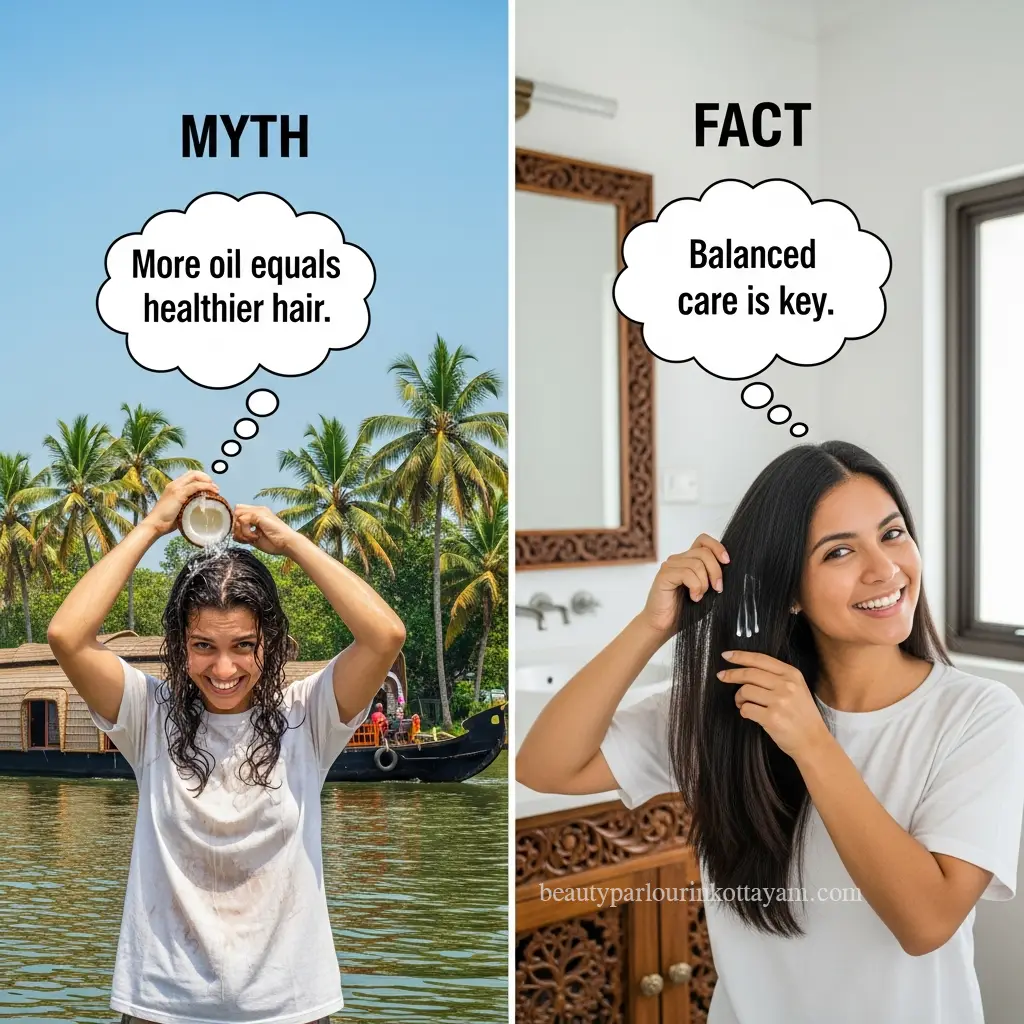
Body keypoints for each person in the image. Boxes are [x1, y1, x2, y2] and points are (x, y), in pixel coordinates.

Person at [516, 441, 1024, 1024]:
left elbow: (927, 923)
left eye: (892, 534)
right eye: (838, 552)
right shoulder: (734, 708)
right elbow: (544, 767)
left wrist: (812, 743)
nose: (884, 569)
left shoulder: (979, 715)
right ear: (786, 592)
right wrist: (652, 626)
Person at [47, 470, 406, 1024]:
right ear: (178, 646)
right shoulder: (150, 717)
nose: (223, 668)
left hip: (291, 1008)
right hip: (161, 1007)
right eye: (202, 646)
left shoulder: (306, 717)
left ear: (270, 642)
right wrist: (152, 525)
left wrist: (289, 541)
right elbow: (67, 635)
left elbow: (384, 634)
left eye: (244, 645)